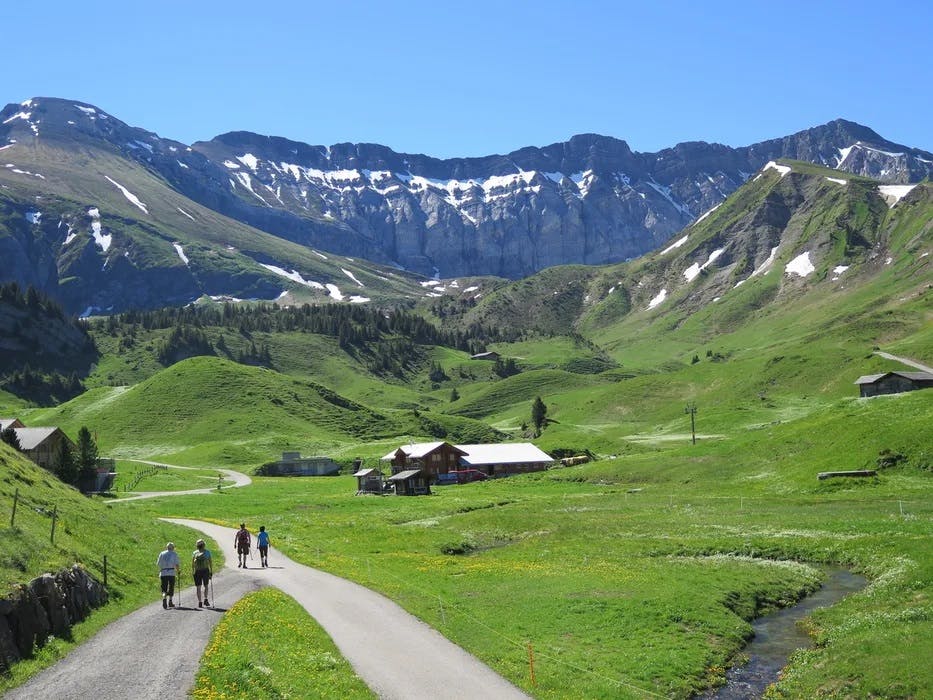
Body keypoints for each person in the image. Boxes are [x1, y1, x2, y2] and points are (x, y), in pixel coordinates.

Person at [156, 542, 180, 609]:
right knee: (171, 587)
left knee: (164, 588)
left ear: (167, 547)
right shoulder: (174, 554)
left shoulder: (162, 553)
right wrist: (178, 571)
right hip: (171, 573)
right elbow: (177, 564)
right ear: (172, 548)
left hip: (163, 573)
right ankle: (170, 601)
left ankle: (164, 599)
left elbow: (158, 564)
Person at [192, 539, 212, 607]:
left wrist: (193, 571)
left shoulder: (194, 553)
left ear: (197, 546)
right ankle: (205, 599)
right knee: (206, 586)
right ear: (204, 545)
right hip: (205, 570)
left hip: (197, 571)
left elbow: (192, 564)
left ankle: (200, 602)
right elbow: (210, 562)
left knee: (198, 587)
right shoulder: (207, 552)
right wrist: (211, 571)